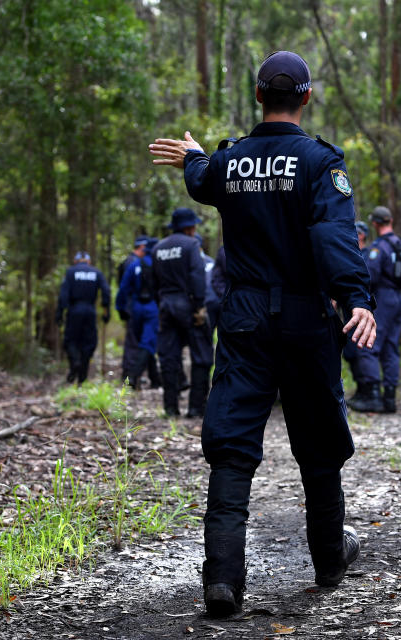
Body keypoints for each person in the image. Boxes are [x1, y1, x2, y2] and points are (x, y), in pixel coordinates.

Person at [149, 49, 376, 617]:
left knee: (232, 446)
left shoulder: (232, 162)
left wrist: (195, 155)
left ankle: (222, 579)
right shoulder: (321, 162)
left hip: (246, 318)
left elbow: (203, 180)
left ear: (258, 97)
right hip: (305, 316)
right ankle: (328, 560)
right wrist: (356, 298)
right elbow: (332, 235)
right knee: (319, 444)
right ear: (305, 97)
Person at [150, 208, 214, 418]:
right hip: (187, 304)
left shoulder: (158, 248)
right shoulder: (191, 244)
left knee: (169, 356)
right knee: (202, 355)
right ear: (190, 227)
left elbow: (152, 282)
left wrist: (162, 301)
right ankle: (196, 408)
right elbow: (196, 274)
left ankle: (170, 407)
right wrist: (199, 305)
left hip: (166, 305)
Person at [349, 206, 401, 414]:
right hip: (398, 298)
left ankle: (374, 395)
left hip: (383, 298)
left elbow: (371, 275)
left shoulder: (379, 248)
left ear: (375, 224)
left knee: (369, 342)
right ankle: (390, 398)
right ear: (391, 220)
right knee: (391, 347)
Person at [56, 251, 111, 384]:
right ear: (89, 261)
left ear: (76, 261)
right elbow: (106, 291)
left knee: (70, 340)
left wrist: (60, 312)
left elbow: (63, 294)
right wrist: (106, 310)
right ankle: (82, 377)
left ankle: (75, 362)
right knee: (89, 343)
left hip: (74, 310)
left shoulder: (71, 272)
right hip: (90, 311)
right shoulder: (96, 272)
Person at [115, 236, 160, 389]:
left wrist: (120, 308)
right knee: (148, 342)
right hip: (152, 307)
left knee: (139, 342)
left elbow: (123, 289)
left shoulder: (134, 265)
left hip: (136, 308)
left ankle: (153, 378)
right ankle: (132, 377)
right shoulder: (158, 266)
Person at [342, 220, 371, 401]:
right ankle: (361, 390)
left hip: (364, 307)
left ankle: (366, 390)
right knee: (351, 351)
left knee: (361, 348)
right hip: (349, 308)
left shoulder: (367, 255)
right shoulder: (350, 254)